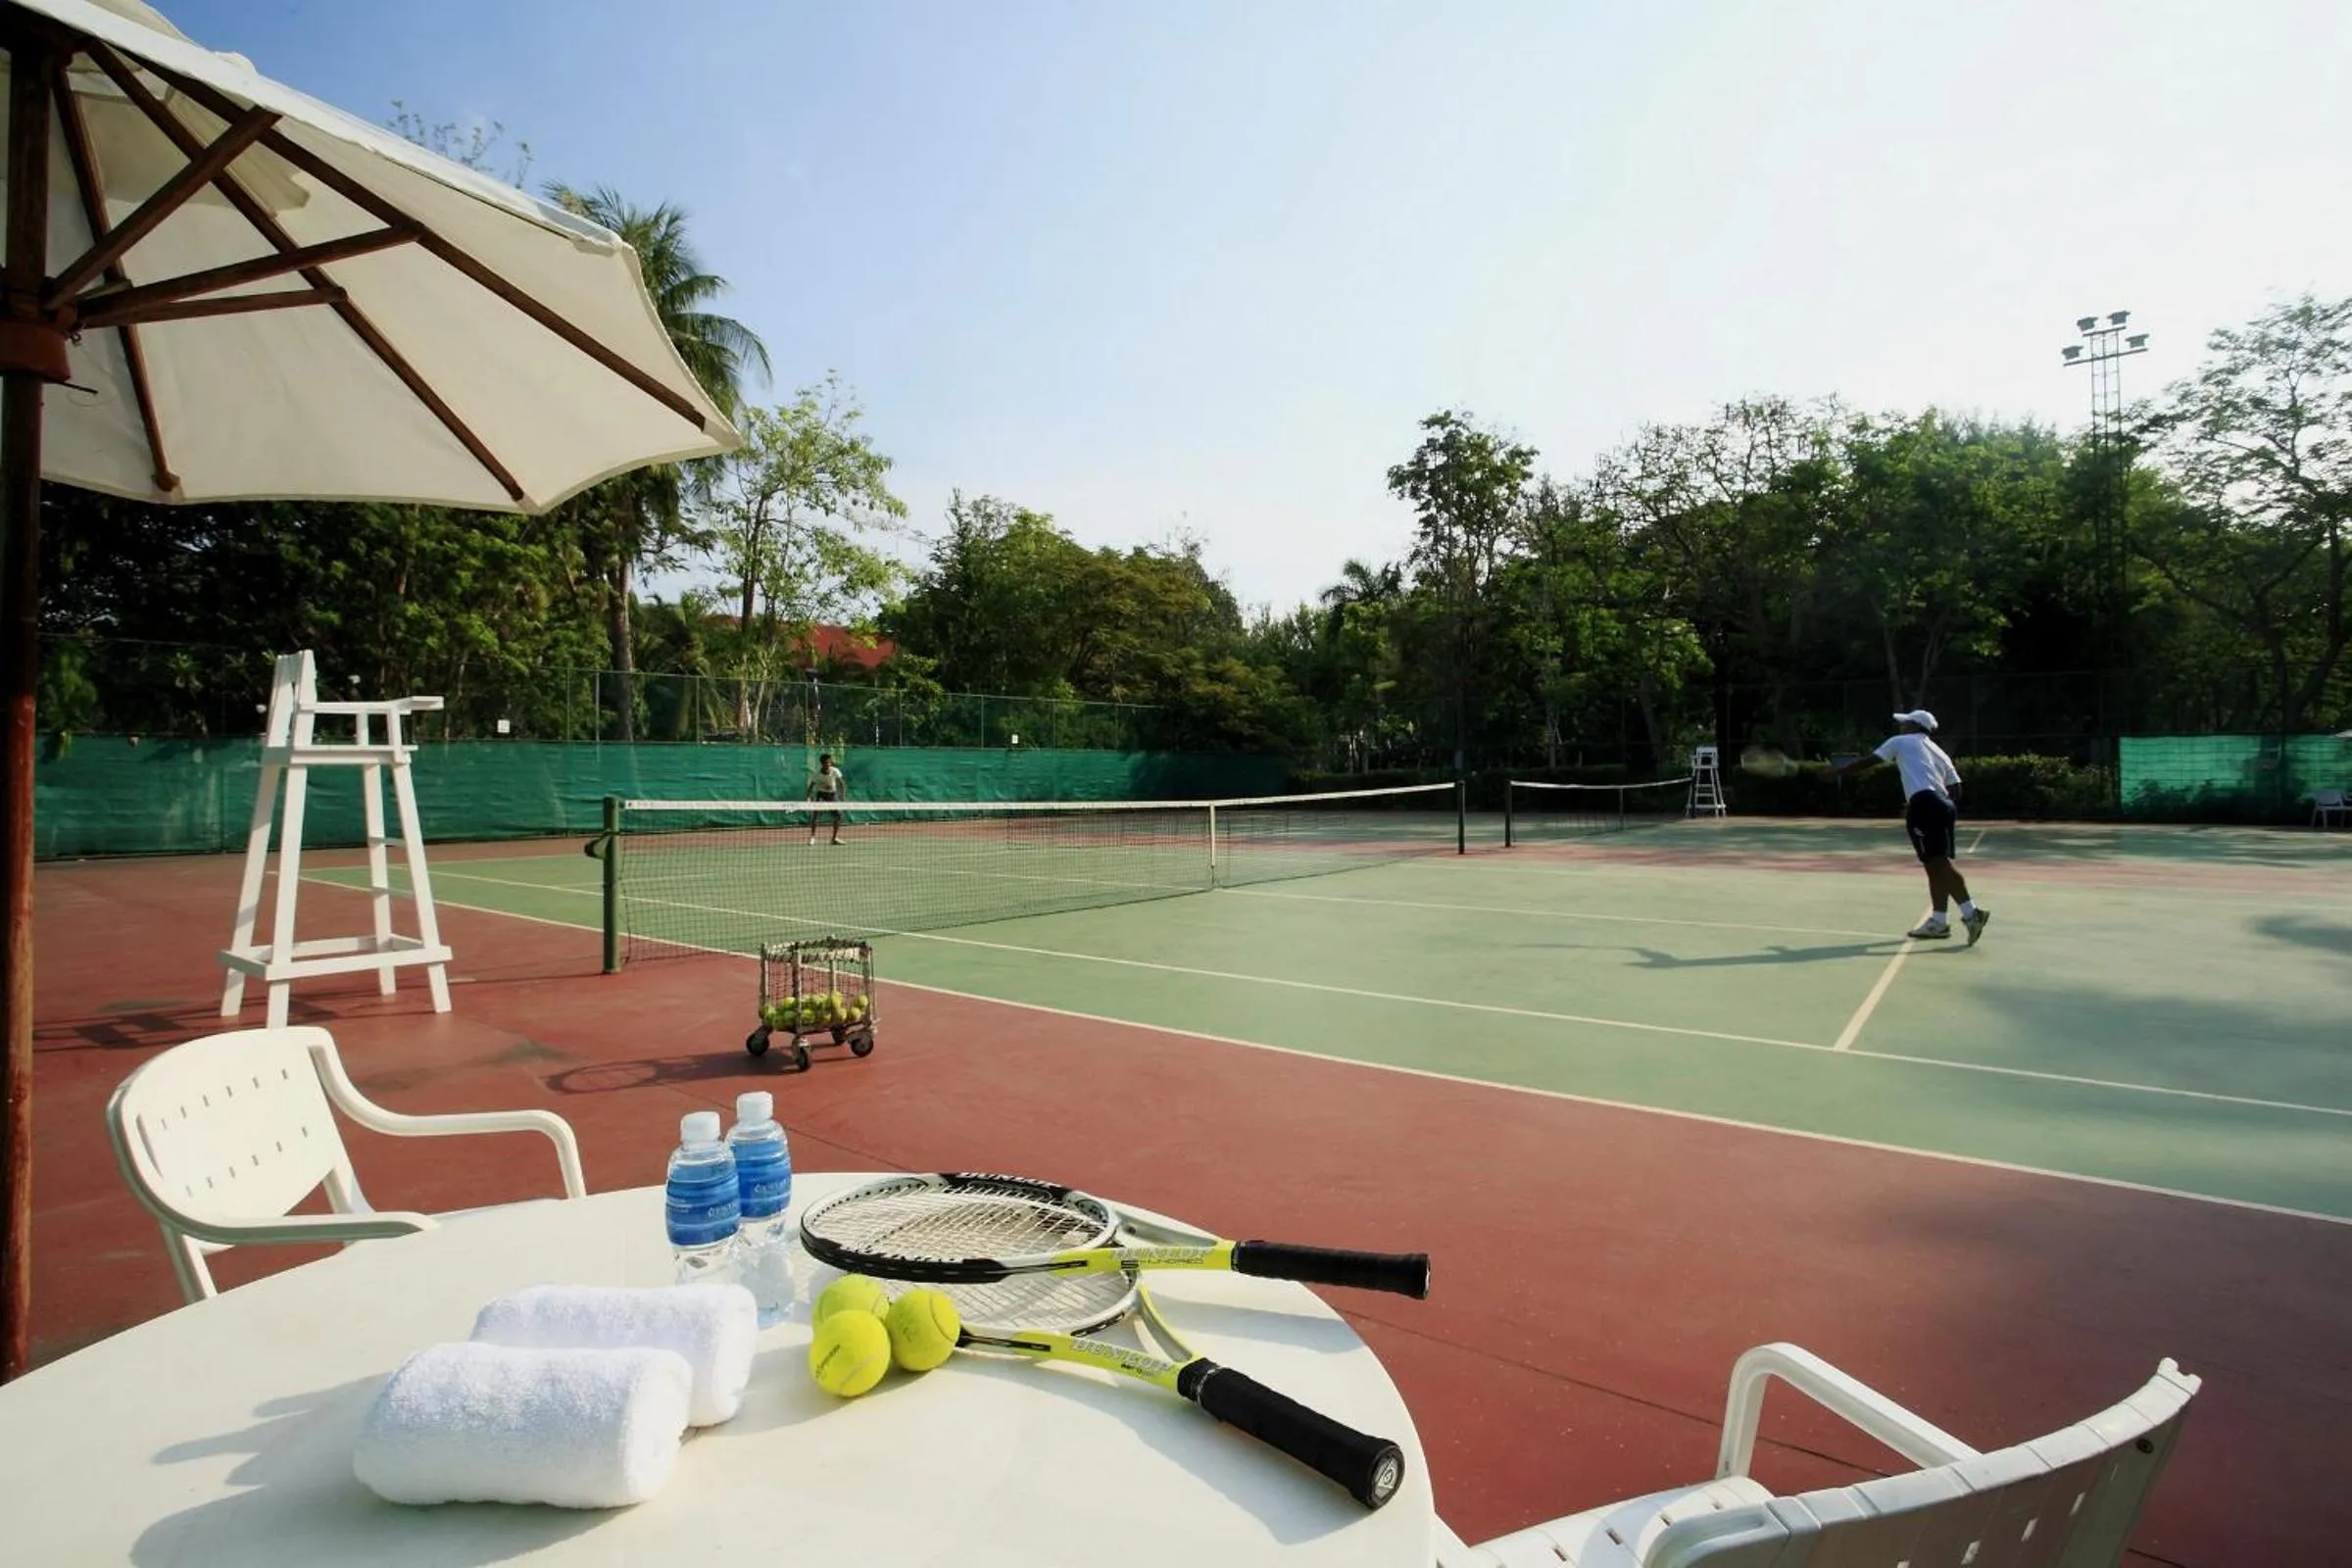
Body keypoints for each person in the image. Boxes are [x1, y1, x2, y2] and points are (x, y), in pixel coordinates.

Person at [1830, 710, 1988, 945]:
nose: (1901, 727)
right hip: (1944, 805)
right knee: (1934, 864)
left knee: (1939, 864)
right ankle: (1939, 921)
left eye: (1905, 723)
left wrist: (1837, 772)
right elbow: (1956, 788)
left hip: (1925, 805)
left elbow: (1869, 762)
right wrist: (1937, 804)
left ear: (1914, 726)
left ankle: (1971, 912)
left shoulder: (1900, 741)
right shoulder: (1938, 751)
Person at [805, 751, 847, 845]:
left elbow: (841, 783)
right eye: (826, 763)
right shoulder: (817, 774)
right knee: (815, 816)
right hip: (821, 795)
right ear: (822, 763)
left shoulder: (835, 771)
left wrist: (842, 796)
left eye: (829, 762)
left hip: (832, 795)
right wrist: (808, 796)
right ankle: (812, 837)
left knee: (839, 815)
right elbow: (811, 786)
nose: (828, 764)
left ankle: (834, 838)